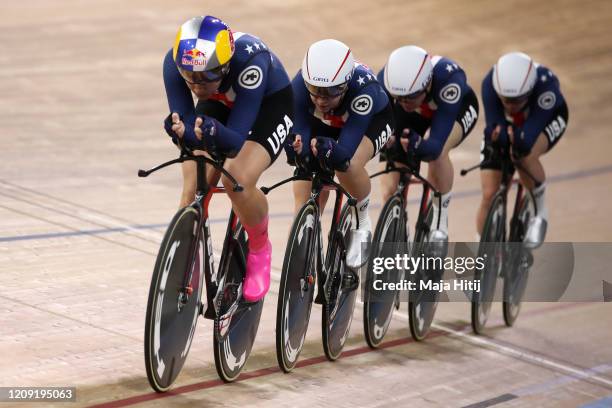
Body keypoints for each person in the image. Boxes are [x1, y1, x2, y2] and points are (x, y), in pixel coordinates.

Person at [163, 15, 294, 302]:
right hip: (221, 101)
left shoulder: (252, 64)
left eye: (206, 76)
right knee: (193, 186)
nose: (196, 86)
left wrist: (209, 133)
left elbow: (234, 142)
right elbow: (186, 125)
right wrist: (182, 132)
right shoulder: (177, 64)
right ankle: (189, 254)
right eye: (190, 78)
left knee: (237, 180)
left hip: (269, 106)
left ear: (224, 66)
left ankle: (260, 248)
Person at [286, 39, 394, 269]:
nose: (321, 100)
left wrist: (332, 152)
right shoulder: (300, 85)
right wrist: (299, 149)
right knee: (305, 169)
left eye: (329, 93)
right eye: (315, 92)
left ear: (344, 86)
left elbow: (344, 151)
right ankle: (304, 229)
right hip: (329, 123)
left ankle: (362, 219)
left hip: (370, 122)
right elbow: (301, 133)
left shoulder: (363, 90)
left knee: (348, 165)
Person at [377, 45, 479, 244]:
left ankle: (440, 216)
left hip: (454, 111)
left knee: (438, 153)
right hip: (417, 114)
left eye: (411, 96)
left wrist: (418, 146)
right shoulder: (385, 82)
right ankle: (397, 221)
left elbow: (434, 147)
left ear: (427, 83)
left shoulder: (450, 79)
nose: (404, 102)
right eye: (399, 98)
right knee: (392, 171)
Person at [478, 52, 568, 247]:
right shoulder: (489, 84)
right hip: (513, 126)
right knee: (489, 192)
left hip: (546, 119)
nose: (510, 105)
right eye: (505, 100)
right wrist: (498, 136)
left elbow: (527, 139)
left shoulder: (546, 86)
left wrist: (513, 140)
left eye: (516, 100)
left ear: (529, 91)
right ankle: (482, 248)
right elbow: (494, 126)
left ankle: (539, 214)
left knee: (524, 154)